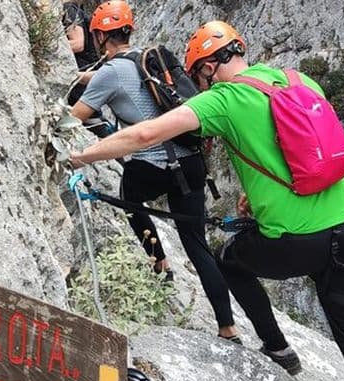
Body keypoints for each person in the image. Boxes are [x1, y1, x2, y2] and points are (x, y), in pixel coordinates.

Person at [69, 20, 344, 381]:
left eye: (198, 77)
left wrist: (81, 157)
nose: (199, 85)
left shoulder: (222, 100)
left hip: (295, 239)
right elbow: (308, 145)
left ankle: (278, 348)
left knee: (230, 261)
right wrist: (255, 198)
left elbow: (146, 132)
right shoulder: (295, 80)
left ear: (208, 68)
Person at [70, 2, 240, 343]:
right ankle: (228, 327)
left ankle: (159, 261)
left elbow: (78, 114)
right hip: (190, 164)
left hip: (150, 166)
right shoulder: (149, 58)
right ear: (128, 30)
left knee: (130, 200)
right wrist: (91, 77)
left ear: (100, 35)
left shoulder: (108, 72)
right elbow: (121, 78)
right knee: (197, 245)